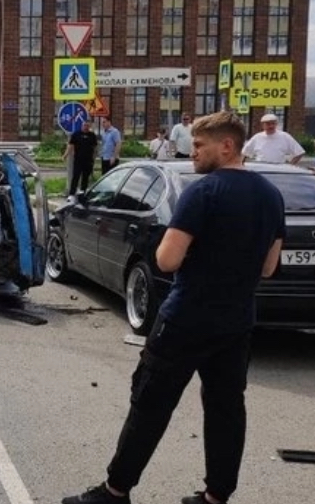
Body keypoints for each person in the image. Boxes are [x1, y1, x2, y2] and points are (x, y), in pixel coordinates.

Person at [61, 111, 285, 504]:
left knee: (150, 403)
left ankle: (115, 491)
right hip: (236, 322)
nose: (192, 151)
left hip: (186, 319)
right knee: (226, 409)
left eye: (199, 145)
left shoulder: (203, 192)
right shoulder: (271, 196)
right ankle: (216, 496)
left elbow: (167, 260)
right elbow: (268, 267)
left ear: (227, 146)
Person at [62, 120, 98, 196]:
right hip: (78, 160)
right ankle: (72, 193)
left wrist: (94, 158)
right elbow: (70, 146)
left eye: (87, 126)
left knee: (85, 178)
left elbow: (95, 148)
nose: (86, 127)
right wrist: (65, 155)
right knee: (76, 177)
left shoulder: (92, 135)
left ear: (89, 127)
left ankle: (83, 192)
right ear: (82, 126)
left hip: (88, 160)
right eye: (85, 125)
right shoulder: (76, 134)